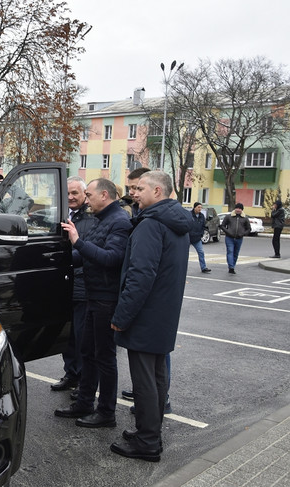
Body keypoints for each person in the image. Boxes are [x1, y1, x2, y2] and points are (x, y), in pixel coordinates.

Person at [110, 171, 191, 462]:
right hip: (164, 315)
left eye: (140, 188)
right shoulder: (176, 221)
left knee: (144, 382)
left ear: (157, 191)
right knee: (157, 379)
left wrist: (122, 316)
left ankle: (147, 442)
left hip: (145, 316)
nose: (134, 193)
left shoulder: (150, 225)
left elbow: (140, 276)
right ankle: (149, 432)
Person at [55, 178, 132, 429]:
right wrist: (59, 258)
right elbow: (88, 255)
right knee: (87, 352)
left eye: (89, 195)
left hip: (105, 300)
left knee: (104, 358)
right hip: (93, 295)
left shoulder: (119, 221)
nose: (86, 200)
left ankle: (106, 412)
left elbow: (110, 259)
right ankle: (84, 403)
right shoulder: (103, 220)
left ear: (105, 195)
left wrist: (77, 242)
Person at [51, 177, 97, 392]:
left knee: (81, 338)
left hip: (81, 286)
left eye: (75, 193)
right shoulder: (58, 215)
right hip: (62, 285)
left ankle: (83, 382)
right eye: (67, 193)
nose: (70, 197)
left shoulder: (92, 218)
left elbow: (87, 251)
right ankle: (71, 374)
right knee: (66, 337)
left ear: (85, 194)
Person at [219, 203, 252, 274]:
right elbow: (222, 226)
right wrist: (228, 232)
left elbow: (249, 229)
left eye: (240, 209)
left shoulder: (245, 218)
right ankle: (231, 267)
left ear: (242, 210)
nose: (238, 210)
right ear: (235, 209)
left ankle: (233, 266)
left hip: (239, 238)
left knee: (236, 253)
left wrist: (243, 234)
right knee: (230, 251)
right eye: (237, 208)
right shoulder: (229, 216)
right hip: (229, 238)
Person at [189, 202, 212, 273]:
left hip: (197, 238)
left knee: (201, 252)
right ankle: (181, 267)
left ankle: (203, 267)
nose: (200, 209)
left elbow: (203, 226)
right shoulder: (189, 215)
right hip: (188, 237)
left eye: (201, 207)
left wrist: (201, 234)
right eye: (198, 207)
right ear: (194, 207)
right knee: (184, 253)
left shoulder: (202, 216)